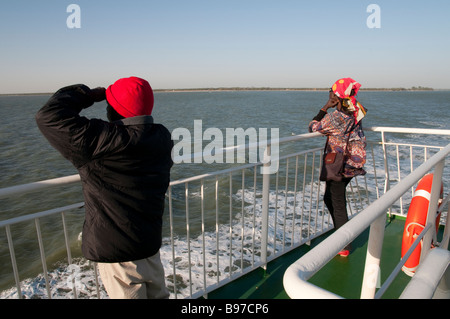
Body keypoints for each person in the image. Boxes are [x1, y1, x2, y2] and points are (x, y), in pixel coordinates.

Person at [36, 76, 173, 298]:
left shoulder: (101, 142)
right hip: (149, 242)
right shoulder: (161, 137)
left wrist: (88, 95)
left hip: (119, 253)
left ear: (114, 109)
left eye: (110, 104)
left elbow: (49, 116)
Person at [309, 78, 367, 257]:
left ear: (337, 97)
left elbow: (313, 127)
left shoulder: (337, 117)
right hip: (351, 163)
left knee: (338, 203)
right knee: (329, 197)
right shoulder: (355, 111)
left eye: (331, 93)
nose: (329, 95)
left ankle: (343, 245)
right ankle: (340, 234)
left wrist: (325, 106)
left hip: (339, 165)